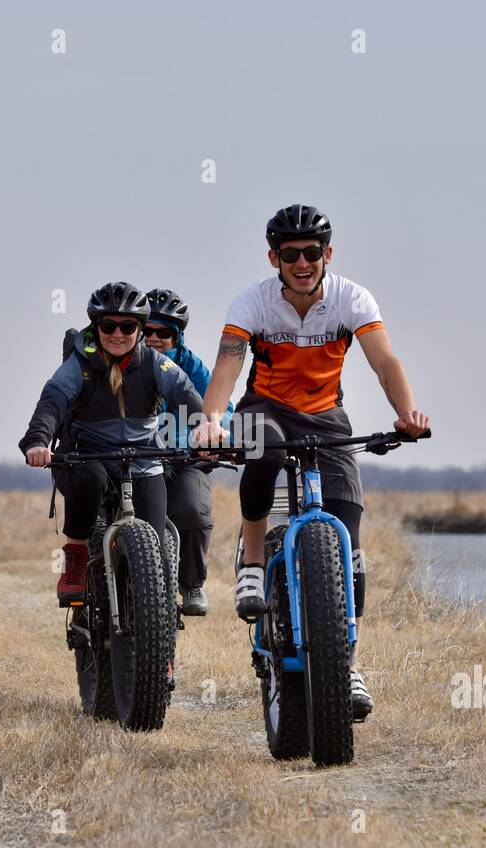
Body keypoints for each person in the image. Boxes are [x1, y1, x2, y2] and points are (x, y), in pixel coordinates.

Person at [190, 206, 431, 721]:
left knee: (351, 541)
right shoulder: (253, 302)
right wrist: (211, 418)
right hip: (267, 409)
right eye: (291, 254)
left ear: (329, 253)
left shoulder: (351, 298)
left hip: (326, 416)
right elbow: (229, 364)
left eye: (313, 252)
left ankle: (347, 665)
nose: (303, 263)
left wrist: (405, 413)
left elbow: (384, 362)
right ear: (274, 257)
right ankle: (253, 565)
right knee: (264, 448)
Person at [18, 281, 204, 608]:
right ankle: (74, 558)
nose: (117, 334)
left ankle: (158, 626)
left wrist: (204, 427)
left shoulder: (154, 363)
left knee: (156, 545)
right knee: (90, 479)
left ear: (140, 329)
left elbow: (186, 393)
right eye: (108, 325)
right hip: (90, 454)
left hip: (144, 459)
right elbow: (52, 402)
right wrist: (38, 441)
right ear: (96, 326)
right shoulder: (78, 365)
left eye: (128, 326)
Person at [142, 288, 232, 616]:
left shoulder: (192, 366)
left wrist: (218, 436)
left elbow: (221, 407)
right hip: (134, 457)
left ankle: (191, 582)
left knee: (194, 511)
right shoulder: (122, 362)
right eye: (146, 330)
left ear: (176, 336)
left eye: (163, 333)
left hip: (184, 456)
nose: (153, 338)